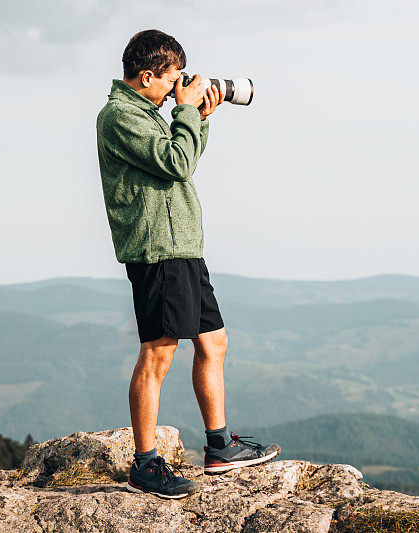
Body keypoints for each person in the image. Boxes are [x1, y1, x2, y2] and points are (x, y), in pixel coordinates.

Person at [96, 29, 280, 499]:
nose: (176, 85)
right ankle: (145, 463)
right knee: (158, 352)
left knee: (213, 341)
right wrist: (185, 112)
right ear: (145, 76)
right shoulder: (120, 117)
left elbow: (186, 159)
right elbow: (176, 162)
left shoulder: (153, 114)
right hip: (158, 249)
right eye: (172, 78)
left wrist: (200, 116)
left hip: (183, 247)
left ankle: (220, 446)